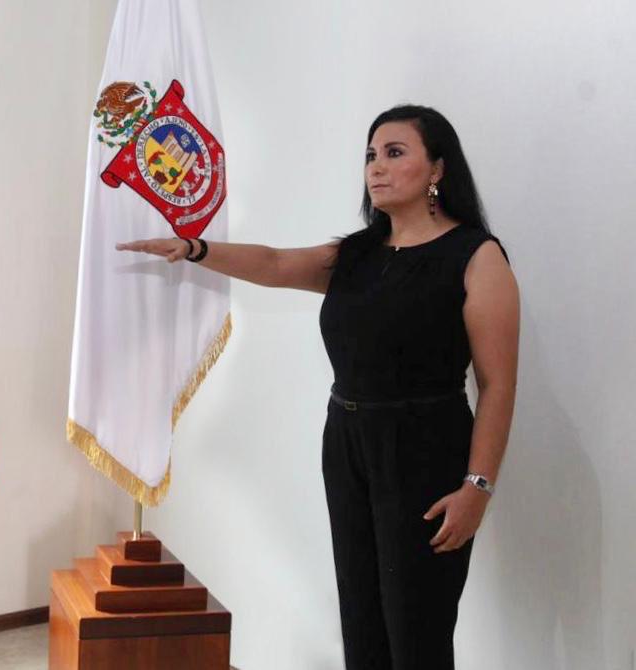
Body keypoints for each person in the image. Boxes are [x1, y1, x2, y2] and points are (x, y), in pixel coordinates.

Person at [118, 104, 519, 669]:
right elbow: (275, 263)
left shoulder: (476, 257)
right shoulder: (357, 255)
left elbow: (497, 384)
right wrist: (194, 248)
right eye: (371, 155)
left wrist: (477, 486)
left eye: (395, 153)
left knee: (417, 630)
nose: (376, 166)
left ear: (437, 169)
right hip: (347, 443)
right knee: (362, 619)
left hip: (426, 449)